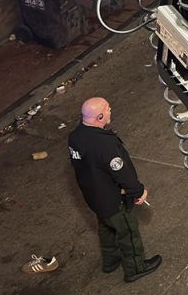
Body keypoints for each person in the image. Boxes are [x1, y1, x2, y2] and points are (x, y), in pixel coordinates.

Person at [68, 97, 162, 283]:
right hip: (112, 199)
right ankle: (135, 268)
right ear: (100, 116)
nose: (111, 111)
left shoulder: (75, 136)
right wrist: (138, 191)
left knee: (106, 228)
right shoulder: (104, 144)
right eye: (108, 109)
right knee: (128, 231)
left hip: (94, 197)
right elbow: (120, 172)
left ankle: (110, 261)